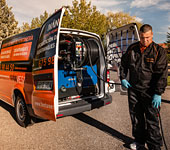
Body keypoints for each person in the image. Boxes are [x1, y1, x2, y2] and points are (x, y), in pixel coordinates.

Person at [120, 24, 168, 150]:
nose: (145, 40)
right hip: (134, 90)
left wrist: (158, 93)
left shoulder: (159, 51)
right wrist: (123, 78)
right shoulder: (132, 49)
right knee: (136, 117)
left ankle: (154, 146)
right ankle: (139, 141)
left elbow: (162, 74)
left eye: (147, 37)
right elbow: (123, 64)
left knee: (152, 120)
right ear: (139, 36)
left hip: (150, 92)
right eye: (142, 38)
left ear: (152, 35)